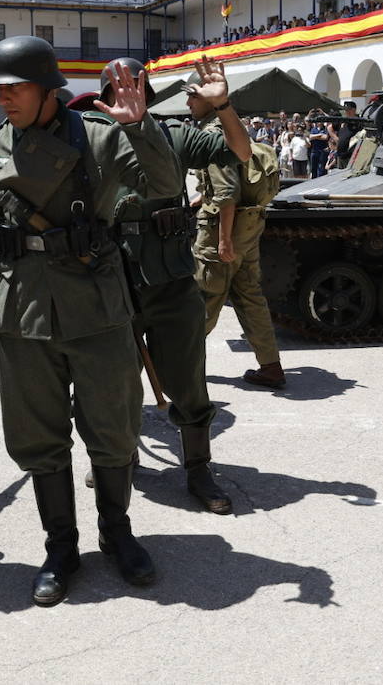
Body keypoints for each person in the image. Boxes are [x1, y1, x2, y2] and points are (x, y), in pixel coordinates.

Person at [0, 36, 181, 608]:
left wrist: (140, 127)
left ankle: (118, 532)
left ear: (48, 89)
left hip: (97, 305)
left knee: (113, 429)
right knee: (38, 435)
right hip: (22, 307)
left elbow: (165, 186)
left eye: (16, 88)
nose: (4, 99)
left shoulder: (102, 137)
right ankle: (61, 547)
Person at [92, 56, 252, 514]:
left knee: (188, 377)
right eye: (119, 88)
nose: (129, 94)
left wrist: (223, 107)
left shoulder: (170, 133)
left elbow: (240, 152)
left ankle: (199, 469)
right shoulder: (87, 133)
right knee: (109, 382)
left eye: (138, 86)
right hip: (108, 278)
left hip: (170, 276)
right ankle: (116, 459)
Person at [190, 85, 286, 389]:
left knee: (202, 299)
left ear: (209, 98)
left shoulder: (212, 133)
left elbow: (228, 192)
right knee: (249, 296)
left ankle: (177, 369)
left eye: (193, 95)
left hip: (223, 230)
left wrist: (223, 240)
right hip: (248, 225)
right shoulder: (232, 127)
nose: (188, 101)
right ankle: (270, 366)